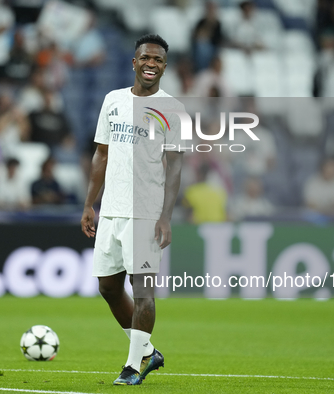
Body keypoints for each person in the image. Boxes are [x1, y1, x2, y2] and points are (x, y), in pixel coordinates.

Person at [80, 34, 184, 386]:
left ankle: (132, 366)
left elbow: (175, 168)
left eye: (158, 59)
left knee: (143, 291)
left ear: (165, 66)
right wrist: (89, 204)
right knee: (108, 288)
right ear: (134, 62)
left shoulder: (172, 109)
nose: (151, 64)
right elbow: (101, 154)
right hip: (111, 211)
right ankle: (147, 350)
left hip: (146, 213)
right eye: (146, 58)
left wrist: (166, 216)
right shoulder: (113, 101)